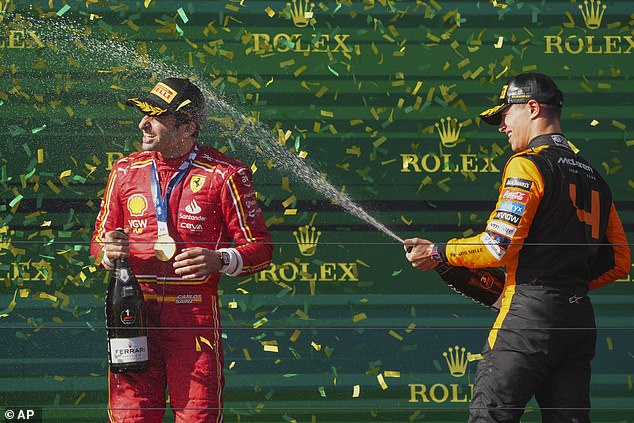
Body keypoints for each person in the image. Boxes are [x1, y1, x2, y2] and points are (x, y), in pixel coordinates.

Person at [404, 72, 630, 422]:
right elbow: (619, 262)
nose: (502, 126)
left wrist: (438, 252)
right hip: (577, 322)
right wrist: (562, 288)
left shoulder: (528, 163)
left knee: (490, 417)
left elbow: (498, 245)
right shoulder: (595, 177)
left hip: (528, 320)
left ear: (533, 108)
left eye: (506, 114)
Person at [91, 77, 273, 422]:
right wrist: (108, 251)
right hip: (132, 315)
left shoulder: (225, 173)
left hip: (192, 318)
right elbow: (98, 244)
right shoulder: (125, 170)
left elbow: (261, 248)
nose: (143, 124)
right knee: (132, 417)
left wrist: (220, 259)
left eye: (156, 116)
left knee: (197, 417)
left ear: (188, 127)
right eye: (143, 114)